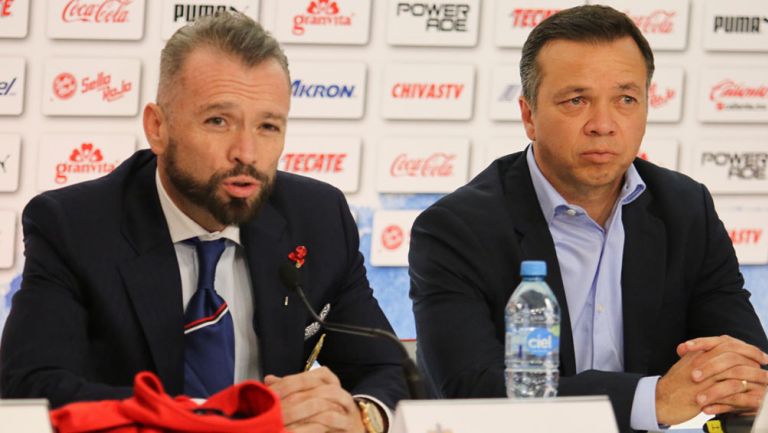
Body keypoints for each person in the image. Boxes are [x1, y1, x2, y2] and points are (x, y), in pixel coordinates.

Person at [0, 12, 404, 433]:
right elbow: (33, 388)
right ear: (158, 128)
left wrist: (362, 416)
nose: (246, 152)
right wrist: (235, 420)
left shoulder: (318, 217)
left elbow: (389, 369)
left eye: (268, 126)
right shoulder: (75, 226)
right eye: (218, 121)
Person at [409, 5, 768, 433]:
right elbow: (472, 391)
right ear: (528, 116)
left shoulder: (686, 209)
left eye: (626, 100)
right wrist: (652, 399)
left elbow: (746, 360)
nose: (603, 124)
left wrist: (734, 378)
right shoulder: (455, 229)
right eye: (576, 100)